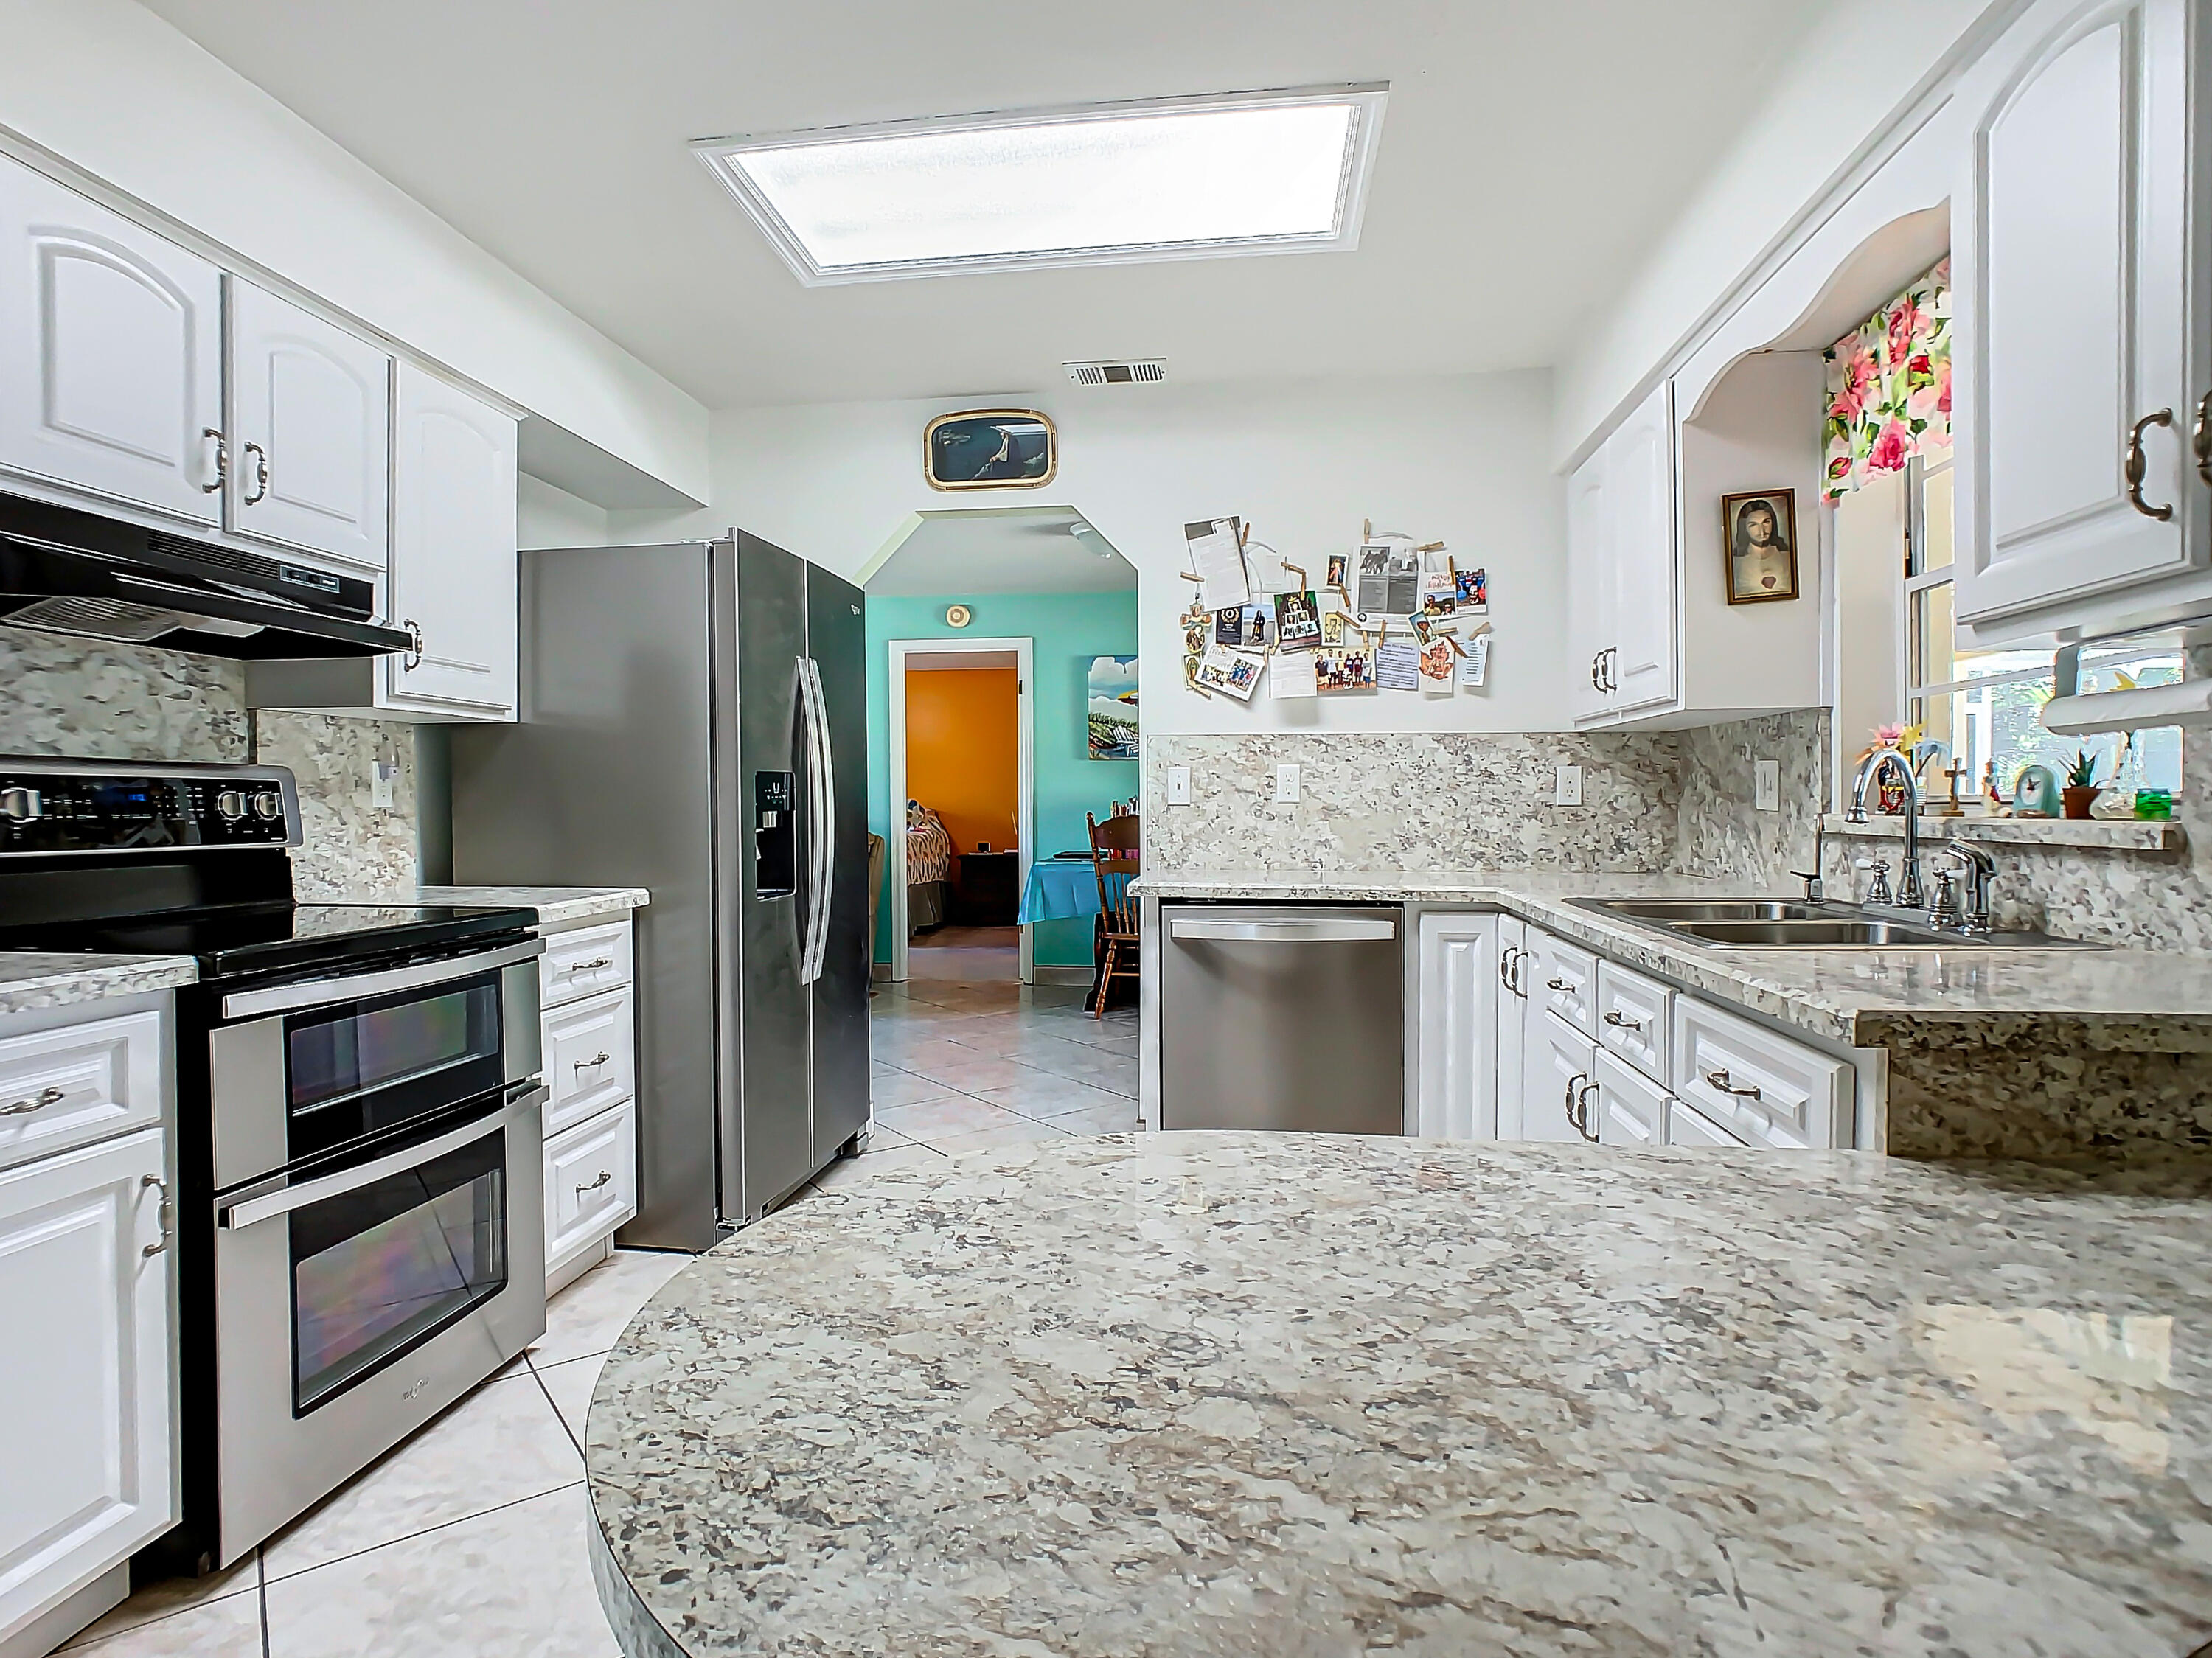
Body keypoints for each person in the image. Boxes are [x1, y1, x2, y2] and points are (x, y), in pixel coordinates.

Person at [1731, 499, 1794, 598]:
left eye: (1766, 522)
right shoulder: (1736, 562)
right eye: (1753, 525)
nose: (1762, 531)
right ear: (1744, 528)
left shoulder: (1788, 557)